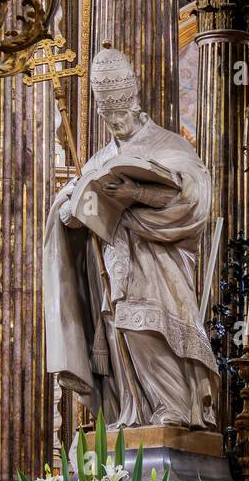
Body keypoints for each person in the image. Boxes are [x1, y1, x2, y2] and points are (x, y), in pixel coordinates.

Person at [44, 46, 219, 429]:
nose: (116, 123)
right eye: (108, 116)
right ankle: (132, 411)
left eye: (121, 114)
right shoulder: (101, 157)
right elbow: (75, 208)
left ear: (136, 105)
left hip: (157, 267)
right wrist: (70, 211)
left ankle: (172, 408)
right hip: (113, 270)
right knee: (120, 331)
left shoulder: (167, 145)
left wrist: (135, 194)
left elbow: (193, 197)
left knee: (150, 330)